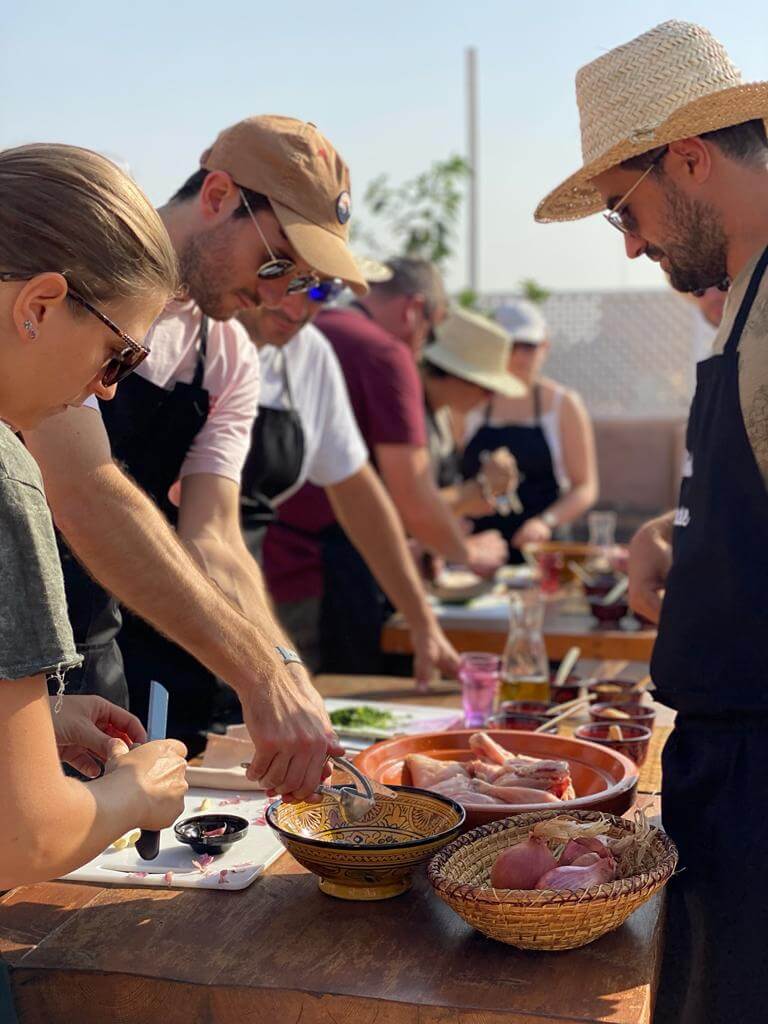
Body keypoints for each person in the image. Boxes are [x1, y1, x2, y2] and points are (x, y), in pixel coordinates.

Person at [534, 19, 768, 1022]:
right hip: (730, 773)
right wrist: (684, 542)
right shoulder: (746, 299)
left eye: (625, 210)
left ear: (690, 159)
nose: (631, 245)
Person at [24, 117, 354, 782]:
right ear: (218, 196)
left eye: (300, 281)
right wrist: (257, 672)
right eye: (275, 261)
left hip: (91, 654)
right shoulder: (71, 261)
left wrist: (285, 666)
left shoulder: (225, 352)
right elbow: (85, 491)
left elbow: (215, 539)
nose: (275, 294)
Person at [0, 143, 187, 888]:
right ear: (39, 307)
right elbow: (26, 838)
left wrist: (34, 721)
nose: (108, 391)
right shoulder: (9, 479)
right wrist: (130, 796)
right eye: (118, 355)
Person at [263, 259, 508, 674]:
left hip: (256, 563)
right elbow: (409, 498)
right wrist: (466, 554)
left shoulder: (312, 331)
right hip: (320, 578)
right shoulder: (383, 352)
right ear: (414, 310)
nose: (424, 347)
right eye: (431, 330)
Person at [234, 281, 459, 680]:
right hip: (156, 610)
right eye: (287, 277)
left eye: (321, 291)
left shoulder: (311, 353)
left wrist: (422, 623)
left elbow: (358, 490)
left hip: (252, 603)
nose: (299, 305)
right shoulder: (193, 335)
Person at [462, 299, 598, 561]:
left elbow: (585, 486)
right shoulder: (469, 402)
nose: (518, 356)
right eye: (509, 346)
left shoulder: (564, 404)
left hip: (543, 552)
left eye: (528, 346)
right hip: (476, 552)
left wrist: (545, 522)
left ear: (545, 346)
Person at [420, 305, 522, 516]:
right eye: (486, 389)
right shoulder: (411, 414)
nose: (490, 398)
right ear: (456, 375)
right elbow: (412, 507)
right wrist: (481, 486)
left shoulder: (442, 414)